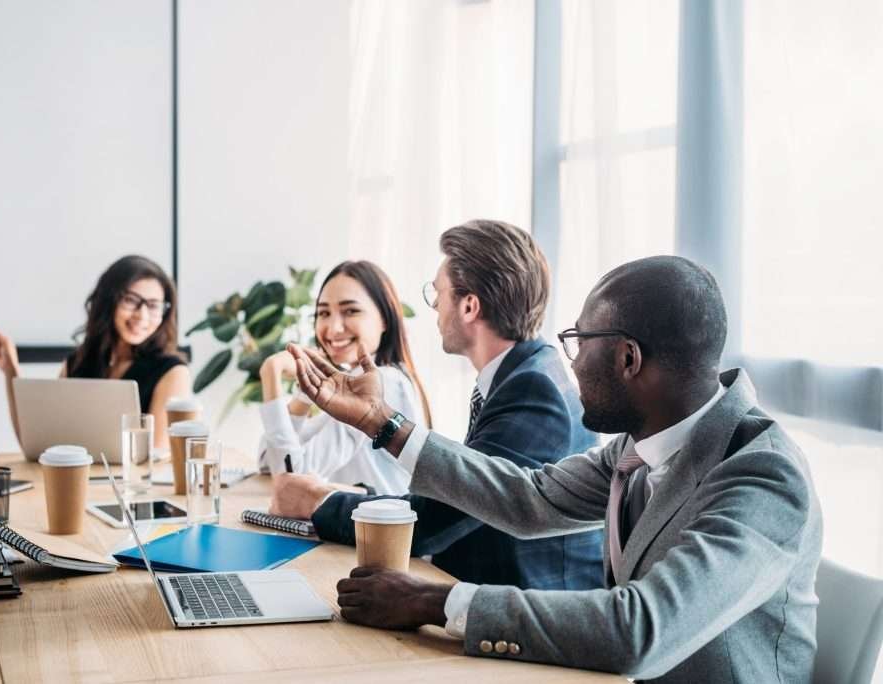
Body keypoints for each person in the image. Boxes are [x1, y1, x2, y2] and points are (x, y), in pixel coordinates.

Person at [287, 255, 822, 683]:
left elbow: (641, 629)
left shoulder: (763, 477)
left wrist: (433, 600)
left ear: (627, 359)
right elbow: (529, 498)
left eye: (579, 342)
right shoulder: (637, 446)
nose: (570, 361)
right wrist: (383, 423)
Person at [270, 220, 604, 590]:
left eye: (437, 294)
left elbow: (434, 523)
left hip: (530, 613)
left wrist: (321, 501)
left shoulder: (533, 389)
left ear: (469, 306)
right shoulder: (521, 373)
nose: (434, 309)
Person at [256, 260, 430, 495]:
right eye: (324, 313)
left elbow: (291, 478)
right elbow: (269, 462)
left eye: (351, 311)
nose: (334, 328)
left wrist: (271, 372)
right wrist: (304, 396)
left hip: (376, 530)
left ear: (385, 319)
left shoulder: (383, 382)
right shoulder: (355, 378)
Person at [0, 255, 191, 450]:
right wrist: (10, 370)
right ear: (108, 301)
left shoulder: (172, 372)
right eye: (131, 300)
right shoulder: (78, 362)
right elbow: (37, 444)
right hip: (74, 481)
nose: (142, 315)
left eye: (154, 306)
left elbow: (153, 457)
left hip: (129, 486)